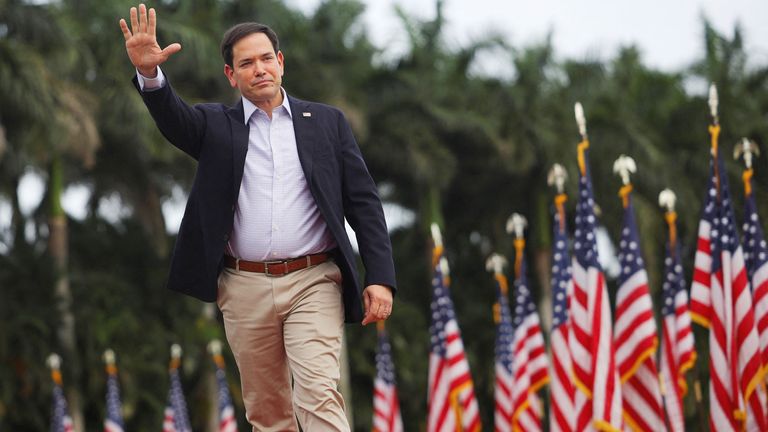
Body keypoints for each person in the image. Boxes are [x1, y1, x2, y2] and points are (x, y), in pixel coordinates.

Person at [119, 4, 397, 430]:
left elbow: (363, 201)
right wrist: (150, 77)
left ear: (281, 62)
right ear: (232, 75)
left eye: (266, 58)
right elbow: (175, 121)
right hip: (244, 284)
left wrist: (379, 275)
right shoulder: (215, 125)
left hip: (314, 279)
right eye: (246, 63)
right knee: (267, 411)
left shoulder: (326, 123)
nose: (259, 69)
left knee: (319, 392)